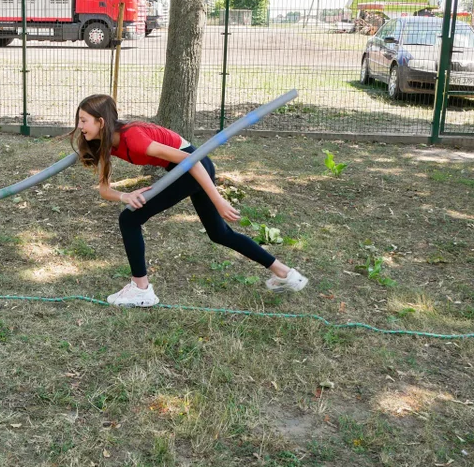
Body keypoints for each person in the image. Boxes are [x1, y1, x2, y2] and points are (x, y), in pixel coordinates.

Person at [71, 94, 308, 307]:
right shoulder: (104, 143)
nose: (79, 126)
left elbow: (192, 160)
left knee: (129, 219)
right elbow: (104, 189)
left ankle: (141, 289)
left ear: (100, 122)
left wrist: (218, 200)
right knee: (219, 234)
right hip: (182, 169)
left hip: (193, 167)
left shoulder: (133, 139)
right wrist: (125, 195)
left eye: (83, 120)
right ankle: (286, 274)